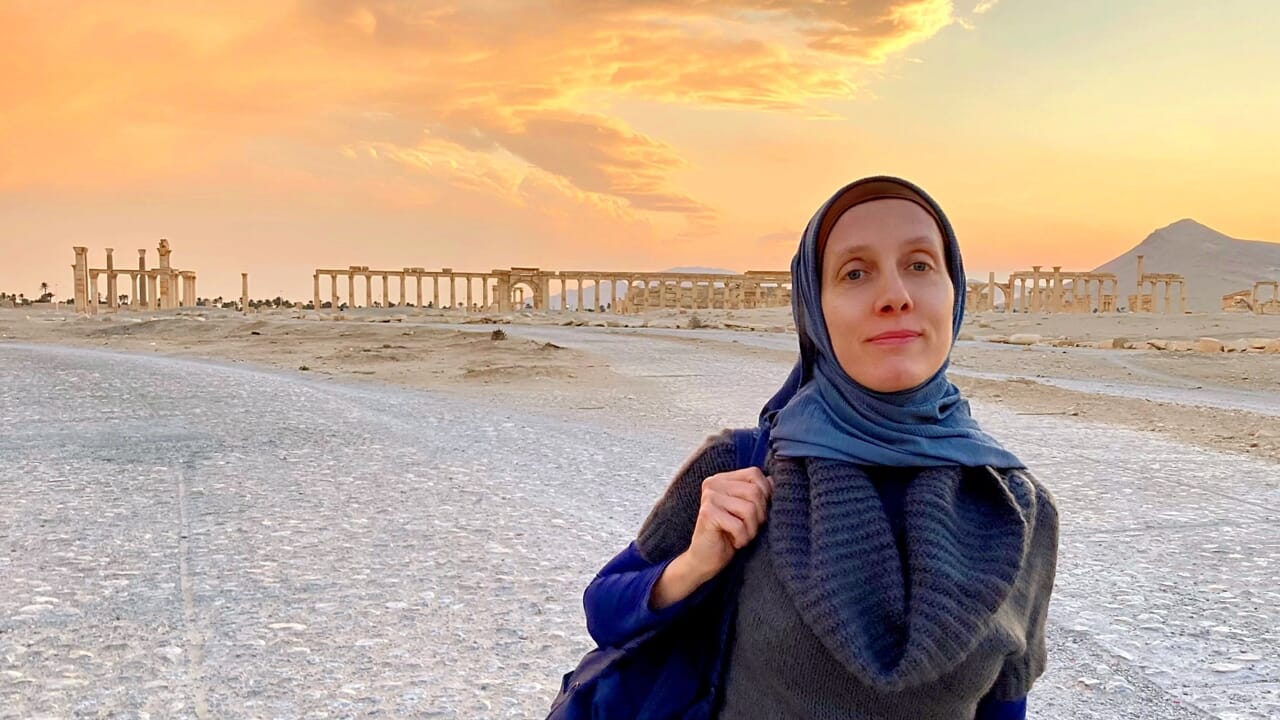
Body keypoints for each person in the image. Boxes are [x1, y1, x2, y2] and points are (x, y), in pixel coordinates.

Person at [579, 176, 1059, 719]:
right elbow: (604, 611)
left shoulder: (1019, 510)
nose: (895, 296)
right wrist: (694, 565)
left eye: (920, 264)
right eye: (855, 273)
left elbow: (1005, 703)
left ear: (956, 293)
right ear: (814, 309)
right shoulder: (744, 469)